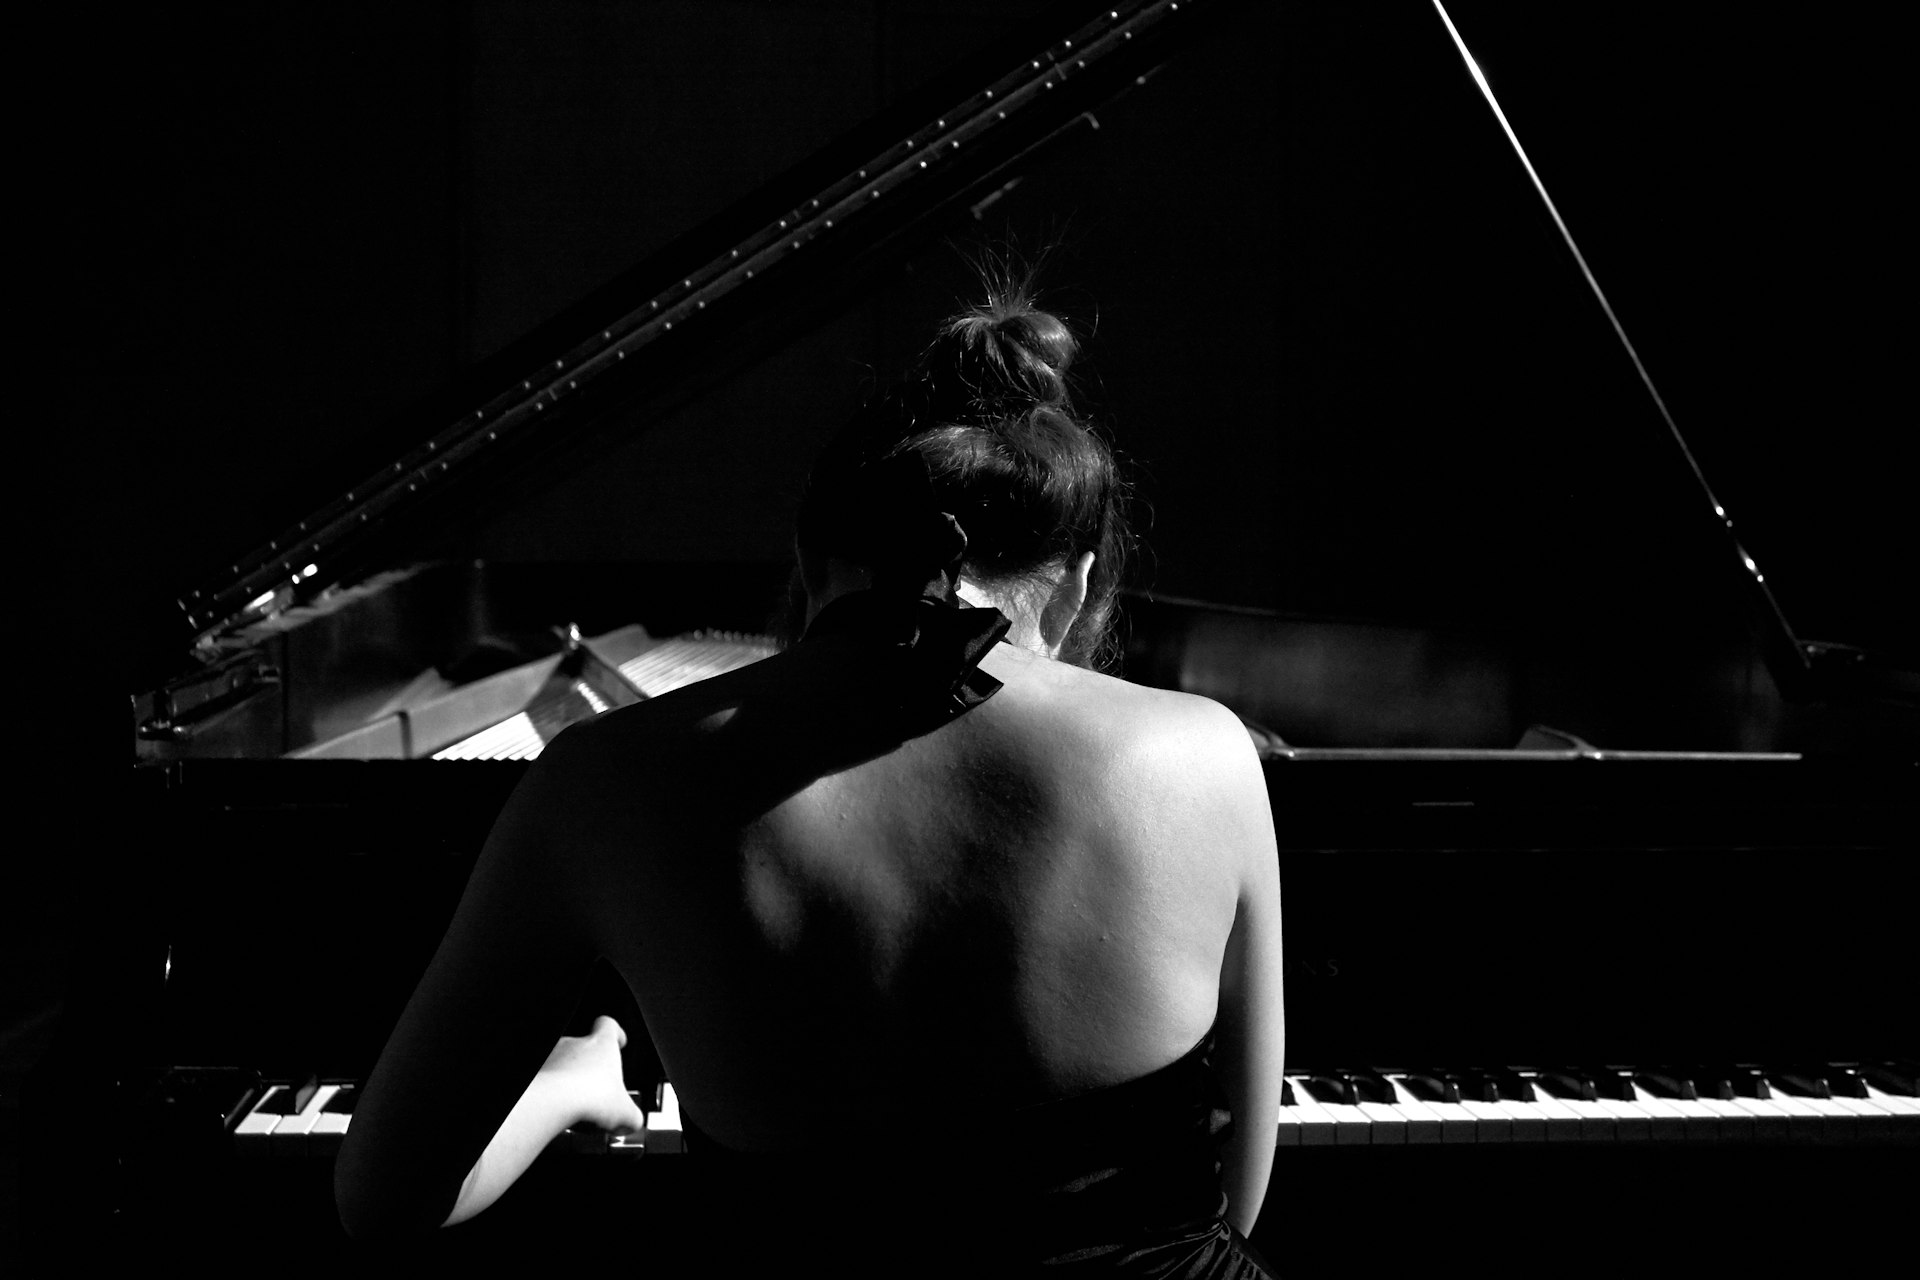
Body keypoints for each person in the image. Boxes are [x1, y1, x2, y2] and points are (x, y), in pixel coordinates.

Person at [335, 282, 1284, 1277]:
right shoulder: (1207, 753)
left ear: (807, 554)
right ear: (1081, 578)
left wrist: (571, 1079)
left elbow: (382, 1199)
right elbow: (1236, 1202)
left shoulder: (602, 780)